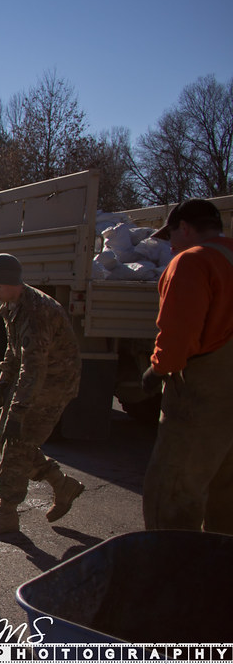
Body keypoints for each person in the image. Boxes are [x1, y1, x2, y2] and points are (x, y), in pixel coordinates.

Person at [0, 253, 84, 536]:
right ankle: (61, 484)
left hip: (52, 384)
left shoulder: (37, 312)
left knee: (17, 442)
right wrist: (4, 378)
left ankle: (7, 513)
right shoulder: (13, 305)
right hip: (33, 380)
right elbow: (14, 349)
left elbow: (35, 367)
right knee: (2, 437)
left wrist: (19, 410)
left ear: (13, 283)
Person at [140, 198, 233, 533]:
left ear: (185, 228)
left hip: (204, 397)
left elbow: (179, 332)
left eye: (171, 236)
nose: (170, 245)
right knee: (226, 493)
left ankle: (171, 562)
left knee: (173, 490)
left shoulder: (193, 261)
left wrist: (158, 369)